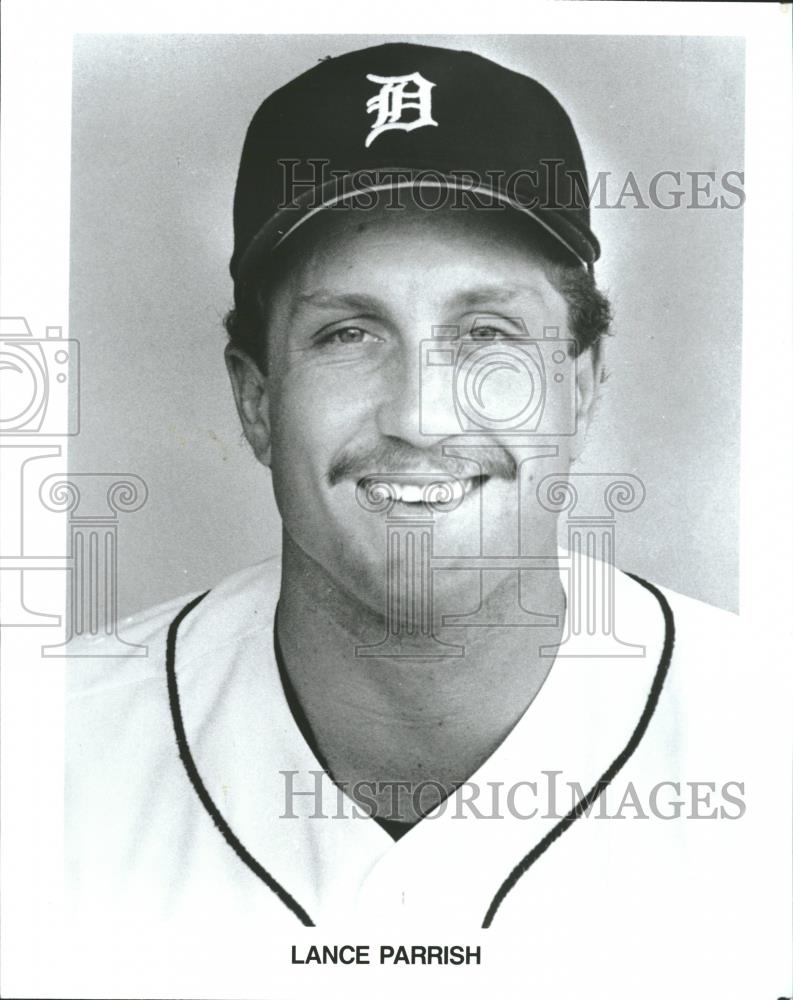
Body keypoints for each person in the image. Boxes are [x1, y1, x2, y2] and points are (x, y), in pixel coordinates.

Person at [65, 41, 785, 996]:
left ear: (579, 387)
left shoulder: (763, 737)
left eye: (486, 333)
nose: (421, 415)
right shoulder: (44, 750)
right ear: (253, 401)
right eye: (347, 335)